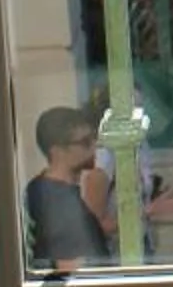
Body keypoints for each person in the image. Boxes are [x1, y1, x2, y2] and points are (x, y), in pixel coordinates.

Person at [23, 107, 113, 274]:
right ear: (57, 151)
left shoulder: (40, 188)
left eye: (94, 138)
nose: (95, 147)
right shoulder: (60, 203)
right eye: (85, 142)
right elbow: (73, 270)